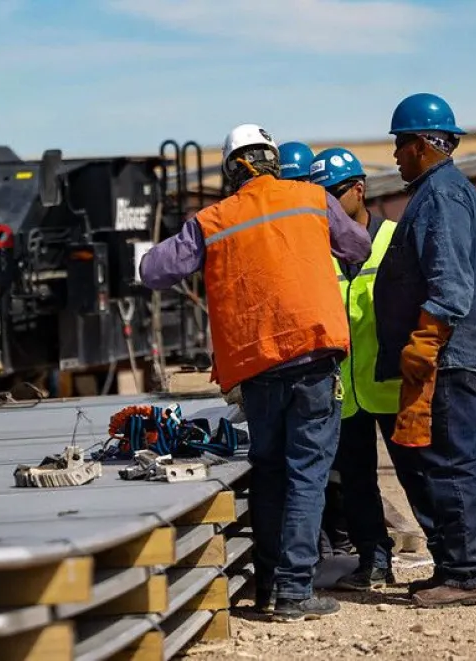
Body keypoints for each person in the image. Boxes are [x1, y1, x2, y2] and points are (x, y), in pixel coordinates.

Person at [139, 123, 371, 621]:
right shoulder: (310, 199)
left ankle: (268, 583)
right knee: (307, 473)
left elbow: (154, 271)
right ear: (271, 158)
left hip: (258, 366)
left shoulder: (213, 219)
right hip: (312, 356)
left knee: (269, 470)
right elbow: (358, 247)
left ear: (231, 170)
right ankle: (294, 590)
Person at [373, 93, 476, 608]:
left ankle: (470, 576)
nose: (395, 156)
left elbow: (450, 283)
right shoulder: (438, 190)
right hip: (451, 349)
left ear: (426, 144)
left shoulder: (442, 196)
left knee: (451, 462)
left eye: (400, 144)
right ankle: (455, 568)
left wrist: (426, 340)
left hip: (451, 351)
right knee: (441, 458)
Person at [310, 147, 406, 591]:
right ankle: (374, 561)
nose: (325, 204)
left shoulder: (393, 238)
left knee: (419, 476)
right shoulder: (318, 250)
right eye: (319, 196)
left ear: (359, 189)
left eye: (333, 193)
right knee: (357, 485)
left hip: (391, 385)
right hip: (345, 392)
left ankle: (454, 565)